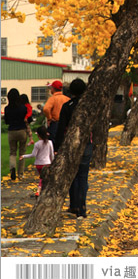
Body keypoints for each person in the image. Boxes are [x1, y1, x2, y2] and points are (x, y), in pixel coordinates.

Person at [55, 78, 93, 219]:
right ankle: (82, 209)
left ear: (71, 91)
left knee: (72, 176)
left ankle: (74, 206)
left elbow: (61, 128)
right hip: (86, 144)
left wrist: (57, 147)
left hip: (71, 146)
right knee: (83, 177)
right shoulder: (88, 107)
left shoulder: (67, 106)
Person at [4, 88, 32, 180]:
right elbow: (28, 119)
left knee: (12, 152)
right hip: (22, 131)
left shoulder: (7, 108)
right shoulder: (23, 108)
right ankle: (20, 174)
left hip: (11, 131)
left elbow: (7, 121)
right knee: (22, 153)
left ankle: (12, 169)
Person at [19, 125, 54, 196]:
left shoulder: (37, 144)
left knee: (42, 177)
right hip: (47, 163)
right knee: (45, 178)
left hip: (38, 164)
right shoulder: (49, 143)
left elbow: (33, 155)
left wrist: (23, 156)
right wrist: (52, 162)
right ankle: (39, 190)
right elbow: (51, 154)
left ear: (38, 135)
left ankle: (40, 190)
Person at [43, 80, 69, 144]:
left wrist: (49, 118)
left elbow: (46, 109)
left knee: (53, 143)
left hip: (55, 123)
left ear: (53, 88)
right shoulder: (67, 99)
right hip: (66, 124)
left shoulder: (53, 99)